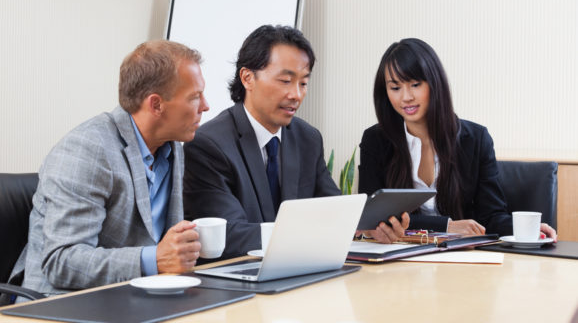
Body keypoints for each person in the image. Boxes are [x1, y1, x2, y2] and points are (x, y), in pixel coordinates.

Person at [183, 25, 406, 258]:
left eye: (303, 83)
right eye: (285, 81)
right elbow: (229, 234)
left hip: (301, 271)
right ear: (248, 78)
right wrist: (311, 232)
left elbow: (336, 210)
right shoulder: (208, 144)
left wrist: (366, 228)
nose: (297, 95)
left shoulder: (307, 138)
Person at [10, 40, 209, 298]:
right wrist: (154, 259)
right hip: (60, 303)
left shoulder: (173, 147)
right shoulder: (87, 149)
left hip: (133, 297)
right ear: (156, 105)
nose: (205, 106)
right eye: (195, 97)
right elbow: (61, 261)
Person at [358, 38, 557, 242]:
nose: (406, 97)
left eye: (415, 84)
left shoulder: (476, 139)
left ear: (434, 83)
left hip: (461, 257)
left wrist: (527, 228)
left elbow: (491, 216)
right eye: (395, 88)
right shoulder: (375, 140)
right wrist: (447, 226)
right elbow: (371, 218)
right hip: (400, 256)